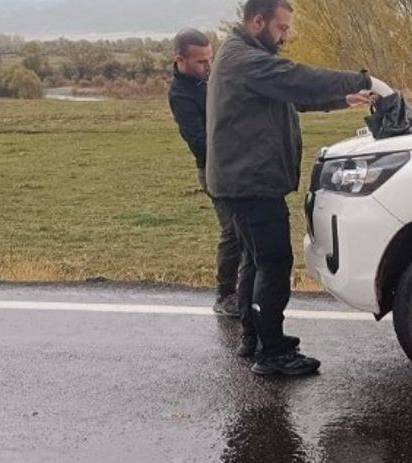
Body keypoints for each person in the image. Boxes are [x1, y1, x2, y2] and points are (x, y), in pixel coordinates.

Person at [206, 0, 394, 375]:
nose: (285, 35)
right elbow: (296, 79)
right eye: (281, 27)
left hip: (242, 180)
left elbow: (290, 94)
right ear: (257, 21)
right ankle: (272, 352)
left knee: (255, 260)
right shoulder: (246, 59)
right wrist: (365, 81)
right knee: (273, 263)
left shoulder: (242, 55)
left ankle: (254, 339)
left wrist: (341, 99)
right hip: (250, 183)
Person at [168, 28, 242, 317]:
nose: (209, 66)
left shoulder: (210, 80)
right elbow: (200, 142)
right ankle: (225, 295)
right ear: (180, 60)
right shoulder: (181, 95)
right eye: (201, 62)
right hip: (213, 170)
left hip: (235, 164)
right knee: (233, 232)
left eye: (211, 59)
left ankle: (245, 291)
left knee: (245, 230)